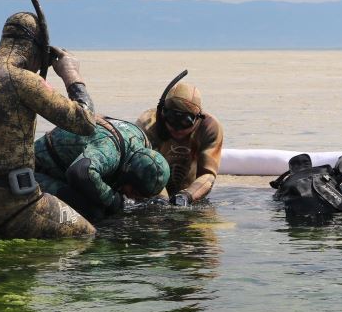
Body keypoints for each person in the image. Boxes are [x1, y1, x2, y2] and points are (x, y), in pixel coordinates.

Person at [0, 5, 97, 238]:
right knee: (88, 234)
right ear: (35, 49)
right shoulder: (24, 81)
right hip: (18, 209)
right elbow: (85, 123)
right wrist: (72, 75)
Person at [34, 117, 170, 221]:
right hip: (34, 170)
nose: (133, 197)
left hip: (68, 166)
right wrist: (112, 200)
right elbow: (79, 172)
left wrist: (162, 202)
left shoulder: (143, 143)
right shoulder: (109, 151)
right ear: (128, 174)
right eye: (134, 192)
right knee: (93, 212)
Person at [136, 73, 224, 206]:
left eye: (185, 121)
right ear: (162, 113)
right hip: (152, 193)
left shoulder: (209, 127)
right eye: (171, 118)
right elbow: (146, 168)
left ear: (198, 118)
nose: (176, 128)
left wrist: (186, 196)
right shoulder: (148, 124)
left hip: (191, 194)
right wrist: (161, 199)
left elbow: (208, 174)